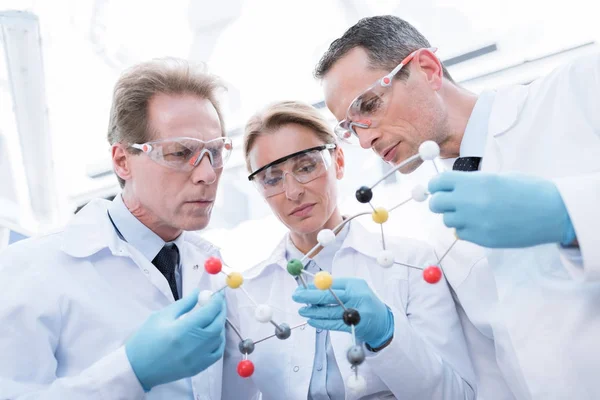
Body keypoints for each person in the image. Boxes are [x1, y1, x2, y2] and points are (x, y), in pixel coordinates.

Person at [315, 14, 600, 400]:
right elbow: (492, 371)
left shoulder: (580, 91)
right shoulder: (438, 227)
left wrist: (569, 215)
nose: (365, 141)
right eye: (350, 127)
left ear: (428, 70)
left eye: (368, 105)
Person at [0, 58, 233, 399]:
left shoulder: (216, 272)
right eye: (181, 152)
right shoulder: (27, 271)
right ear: (123, 161)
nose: (207, 174)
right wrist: (130, 371)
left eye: (215, 151)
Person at [222, 100, 476, 400]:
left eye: (305, 167)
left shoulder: (412, 262)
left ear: (338, 162)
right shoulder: (246, 293)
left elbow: (457, 395)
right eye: (272, 178)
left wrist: (387, 335)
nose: (292, 191)